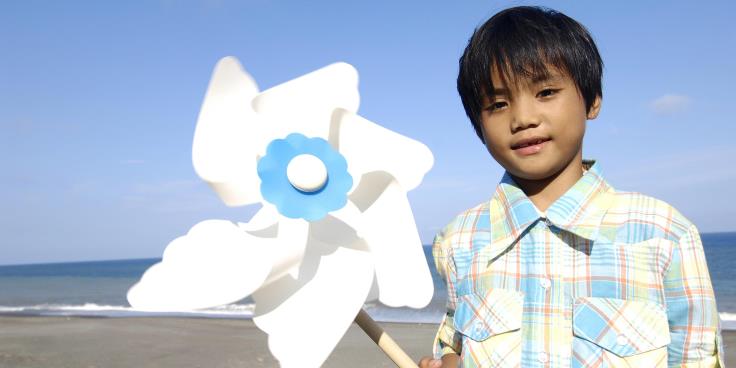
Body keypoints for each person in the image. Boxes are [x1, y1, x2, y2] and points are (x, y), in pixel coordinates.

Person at [418, 6, 724, 368]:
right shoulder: (458, 243)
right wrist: (449, 360)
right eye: (498, 104)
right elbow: (452, 344)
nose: (523, 118)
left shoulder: (665, 235)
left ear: (592, 99)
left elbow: (695, 357)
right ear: (478, 125)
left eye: (546, 91)